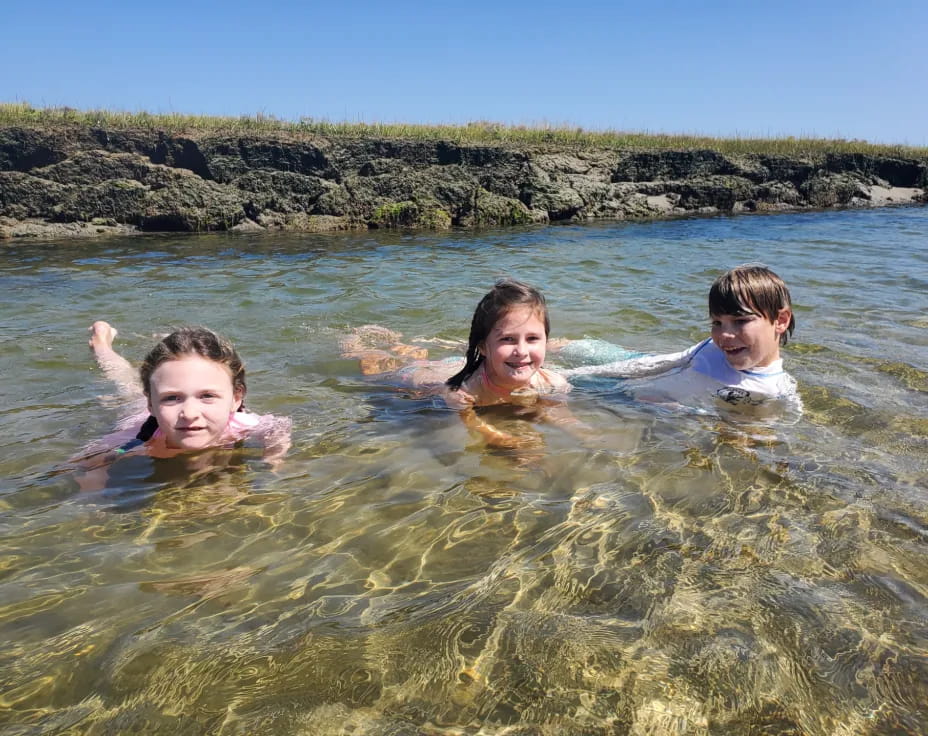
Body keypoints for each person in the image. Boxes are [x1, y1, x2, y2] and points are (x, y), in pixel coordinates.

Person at [340, 278, 572, 446]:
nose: (522, 351)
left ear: (546, 341)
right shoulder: (466, 392)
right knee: (375, 371)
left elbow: (565, 419)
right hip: (422, 378)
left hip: (457, 364)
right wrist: (505, 439)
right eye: (508, 339)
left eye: (532, 339)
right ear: (483, 347)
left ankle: (408, 348)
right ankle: (357, 344)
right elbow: (472, 425)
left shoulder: (552, 382)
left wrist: (595, 438)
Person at [558, 264, 801, 415]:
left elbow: (730, 425)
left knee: (547, 384)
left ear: (780, 321)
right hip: (639, 363)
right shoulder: (712, 348)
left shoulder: (774, 391)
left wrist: (672, 408)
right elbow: (660, 364)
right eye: (717, 323)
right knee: (565, 347)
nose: (724, 335)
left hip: (632, 394)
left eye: (741, 321)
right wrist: (578, 372)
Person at [81, 321, 291, 471]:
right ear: (151, 404)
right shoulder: (134, 437)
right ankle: (101, 344)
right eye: (171, 398)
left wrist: (273, 458)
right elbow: (87, 460)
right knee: (122, 380)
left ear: (236, 398)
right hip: (136, 408)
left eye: (207, 395)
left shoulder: (240, 424)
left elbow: (279, 426)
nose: (189, 414)